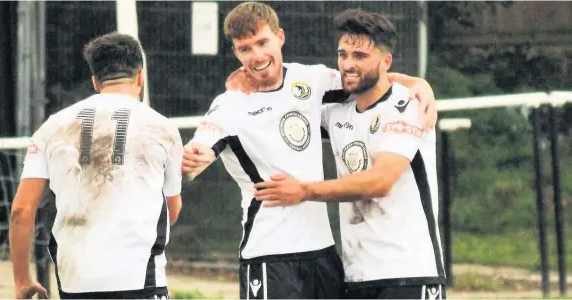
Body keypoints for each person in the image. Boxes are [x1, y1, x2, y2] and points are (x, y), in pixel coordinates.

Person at [181, 2, 438, 299]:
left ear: (280, 37)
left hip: (325, 256)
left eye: (263, 42)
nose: (258, 55)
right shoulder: (229, 105)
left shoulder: (312, 80)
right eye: (245, 49)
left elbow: (365, 77)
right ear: (236, 53)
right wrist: (192, 157)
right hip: (270, 255)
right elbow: (201, 148)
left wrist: (417, 83)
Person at [253, 9, 446, 299]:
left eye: (360, 56)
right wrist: (248, 76)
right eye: (343, 55)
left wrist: (303, 190)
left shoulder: (407, 105)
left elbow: (379, 182)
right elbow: (285, 104)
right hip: (358, 275)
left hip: (409, 272)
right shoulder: (336, 112)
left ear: (385, 62)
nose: (348, 64)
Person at [9, 32, 183, 299]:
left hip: (75, 280)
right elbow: (172, 209)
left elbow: (21, 211)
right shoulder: (163, 128)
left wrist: (22, 280)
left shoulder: (52, 127)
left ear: (95, 81)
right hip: (140, 280)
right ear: (140, 77)